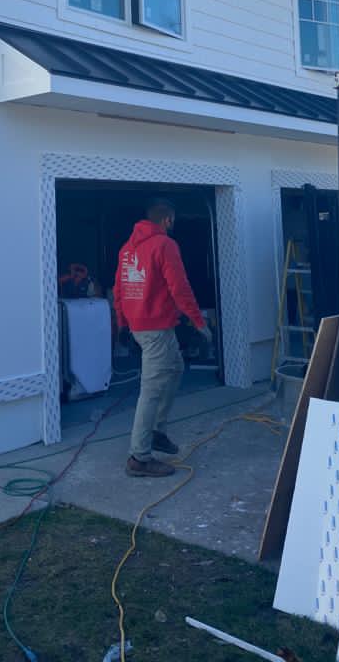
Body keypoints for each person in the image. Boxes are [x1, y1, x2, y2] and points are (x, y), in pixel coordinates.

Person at [114, 199, 212, 477]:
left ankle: (156, 432)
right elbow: (179, 287)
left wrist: (122, 323)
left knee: (175, 369)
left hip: (143, 326)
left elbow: (119, 288)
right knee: (151, 389)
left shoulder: (126, 249)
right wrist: (199, 321)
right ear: (167, 220)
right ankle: (139, 457)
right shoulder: (165, 245)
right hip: (155, 329)